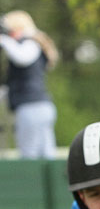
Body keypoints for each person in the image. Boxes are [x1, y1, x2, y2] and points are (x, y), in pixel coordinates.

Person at [0, 10, 59, 158]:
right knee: (45, 154)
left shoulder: (29, 44)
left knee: (30, 156)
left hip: (31, 108)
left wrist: (4, 41)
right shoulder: (31, 45)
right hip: (40, 107)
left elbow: (22, 58)